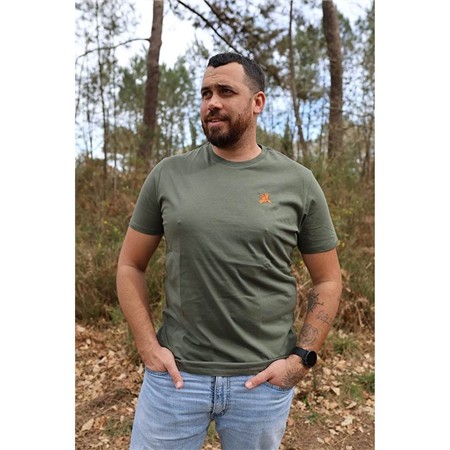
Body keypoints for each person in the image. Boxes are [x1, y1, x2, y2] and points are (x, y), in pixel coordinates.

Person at [116, 52, 342, 450]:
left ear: (257, 102)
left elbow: (327, 279)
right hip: (176, 379)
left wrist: (300, 360)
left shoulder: (297, 182)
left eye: (225, 91)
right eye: (206, 93)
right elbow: (130, 265)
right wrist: (148, 347)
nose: (212, 102)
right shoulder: (169, 174)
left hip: (261, 383)